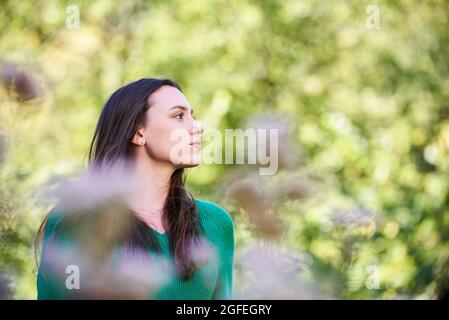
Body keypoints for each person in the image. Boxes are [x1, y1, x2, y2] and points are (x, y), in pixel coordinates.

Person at [35, 78, 235, 300]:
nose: (198, 126)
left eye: (192, 115)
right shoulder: (76, 221)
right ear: (139, 133)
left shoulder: (215, 223)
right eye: (179, 116)